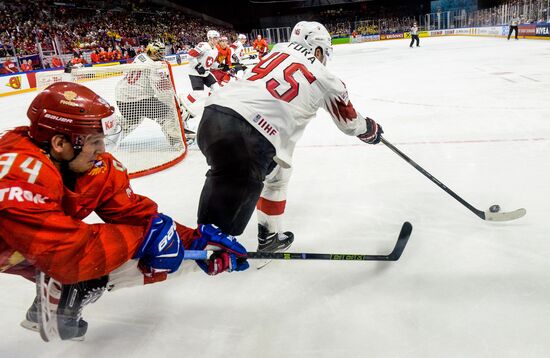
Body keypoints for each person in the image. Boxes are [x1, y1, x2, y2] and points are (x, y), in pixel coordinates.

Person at [0, 81, 249, 340]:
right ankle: (66, 290)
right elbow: (64, 252)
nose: (102, 150)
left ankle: (61, 295)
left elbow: (136, 215)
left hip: (23, 249)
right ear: (60, 143)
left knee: (144, 248)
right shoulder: (17, 174)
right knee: (100, 255)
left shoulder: (92, 166)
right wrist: (145, 239)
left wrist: (196, 242)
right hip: (26, 247)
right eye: (95, 141)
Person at [195, 21, 383, 254]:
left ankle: (269, 235)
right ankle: (198, 250)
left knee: (277, 172)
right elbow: (349, 123)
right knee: (217, 238)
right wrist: (371, 130)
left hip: (212, 115)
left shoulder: (277, 50)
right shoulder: (327, 78)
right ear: (317, 49)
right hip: (251, 133)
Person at [114, 40, 184, 148]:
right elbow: (162, 92)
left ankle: (110, 137)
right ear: (154, 53)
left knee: (133, 119)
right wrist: (174, 103)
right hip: (137, 99)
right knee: (167, 114)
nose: (163, 54)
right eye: (160, 52)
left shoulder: (140, 56)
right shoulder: (154, 67)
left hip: (121, 98)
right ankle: (177, 141)